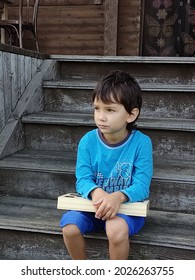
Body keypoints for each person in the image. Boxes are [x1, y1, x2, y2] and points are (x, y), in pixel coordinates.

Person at [60, 70, 153, 260]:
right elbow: (83, 179)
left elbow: (142, 186)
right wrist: (97, 192)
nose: (101, 117)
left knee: (115, 228)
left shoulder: (142, 143)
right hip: (92, 208)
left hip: (126, 210)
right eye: (97, 108)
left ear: (131, 114)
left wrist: (118, 197)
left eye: (110, 110)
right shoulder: (88, 141)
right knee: (69, 226)